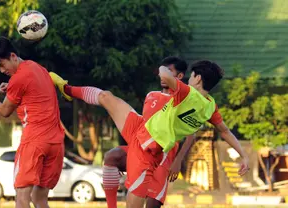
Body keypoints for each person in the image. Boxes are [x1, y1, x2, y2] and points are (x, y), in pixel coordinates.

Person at [50, 59, 249, 208]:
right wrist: (244, 155)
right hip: (141, 127)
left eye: (191, 75)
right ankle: (67, 89)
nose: (188, 78)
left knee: (135, 203)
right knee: (106, 97)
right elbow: (224, 131)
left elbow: (164, 76)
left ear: (197, 78)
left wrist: (164, 69)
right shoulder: (210, 106)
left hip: (146, 148)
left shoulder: (188, 94)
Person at [0, 37, 64, 208]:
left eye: (1, 65)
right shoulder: (38, 68)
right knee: (40, 198)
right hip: (56, 143)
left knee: (21, 196)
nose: (1, 70)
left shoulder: (18, 79)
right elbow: (33, 90)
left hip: (34, 142)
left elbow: (5, 111)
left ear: (13, 56)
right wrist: (11, 86)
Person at [101, 57, 196, 208]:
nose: (163, 74)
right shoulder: (151, 95)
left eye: (168, 71)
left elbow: (192, 135)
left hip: (163, 158)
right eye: (162, 71)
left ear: (178, 76)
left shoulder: (182, 101)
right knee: (113, 156)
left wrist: (178, 162)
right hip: (142, 153)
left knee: (152, 205)